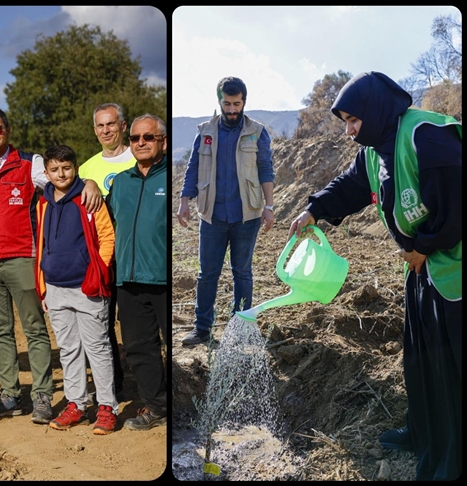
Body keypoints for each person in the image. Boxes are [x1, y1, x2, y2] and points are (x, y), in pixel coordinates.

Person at [288, 71, 461, 481]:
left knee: (450, 363)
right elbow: (350, 186)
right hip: (423, 265)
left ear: (375, 110)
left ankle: (452, 452)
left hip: (451, 266)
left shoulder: (426, 136)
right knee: (420, 356)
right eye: (345, 122)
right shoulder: (373, 148)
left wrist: (423, 247)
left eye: (353, 121)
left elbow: (457, 202)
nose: (348, 131)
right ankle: (421, 431)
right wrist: (315, 209)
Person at [0, 107, 101, 424]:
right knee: (0, 331)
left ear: (6, 130)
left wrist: (88, 182)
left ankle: (42, 397)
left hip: (22, 257)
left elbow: (60, 178)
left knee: (35, 329)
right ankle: (9, 395)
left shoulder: (28, 163)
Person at [177, 76, 275, 345]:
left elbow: (266, 169)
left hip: (248, 214)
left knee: (242, 272)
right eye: (227, 104)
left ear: (244, 101)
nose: (232, 110)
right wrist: (184, 200)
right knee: (207, 273)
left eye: (237, 104)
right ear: (219, 101)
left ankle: (239, 331)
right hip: (212, 214)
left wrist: (269, 206)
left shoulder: (257, 132)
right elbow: (193, 167)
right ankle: (202, 329)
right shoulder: (205, 131)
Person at [35, 144, 117, 435]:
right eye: (54, 169)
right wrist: (43, 285)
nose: (61, 174)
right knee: (69, 350)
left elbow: (107, 237)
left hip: (87, 287)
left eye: (66, 167)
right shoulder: (43, 202)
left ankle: (107, 407)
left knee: (98, 348)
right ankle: (77, 404)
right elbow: (42, 242)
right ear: (46, 173)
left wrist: (99, 271)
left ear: (76, 167)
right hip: (55, 287)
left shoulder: (88, 197)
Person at [106, 114, 169, 431]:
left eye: (148, 137)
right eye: (135, 138)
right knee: (139, 348)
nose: (141, 143)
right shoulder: (121, 183)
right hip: (128, 281)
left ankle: (189, 400)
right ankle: (157, 407)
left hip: (164, 279)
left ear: (163, 142)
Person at [78, 102, 136, 402]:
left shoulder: (137, 156)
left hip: (134, 255)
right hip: (100, 260)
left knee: (134, 324)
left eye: (111, 124)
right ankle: (114, 383)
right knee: (102, 325)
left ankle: (151, 385)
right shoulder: (86, 169)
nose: (105, 130)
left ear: (123, 126)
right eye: (100, 126)